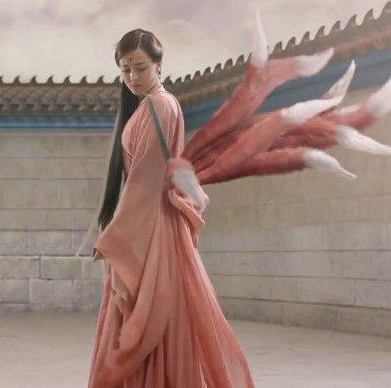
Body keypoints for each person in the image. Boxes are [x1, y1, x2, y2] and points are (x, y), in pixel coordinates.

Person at [86, 24, 391, 386]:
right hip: (153, 227)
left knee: (145, 324)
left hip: (149, 231)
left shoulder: (159, 105)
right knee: (164, 321)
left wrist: (115, 240)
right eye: (125, 69)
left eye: (140, 67)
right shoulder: (150, 106)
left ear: (159, 64)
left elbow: (145, 182)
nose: (132, 77)